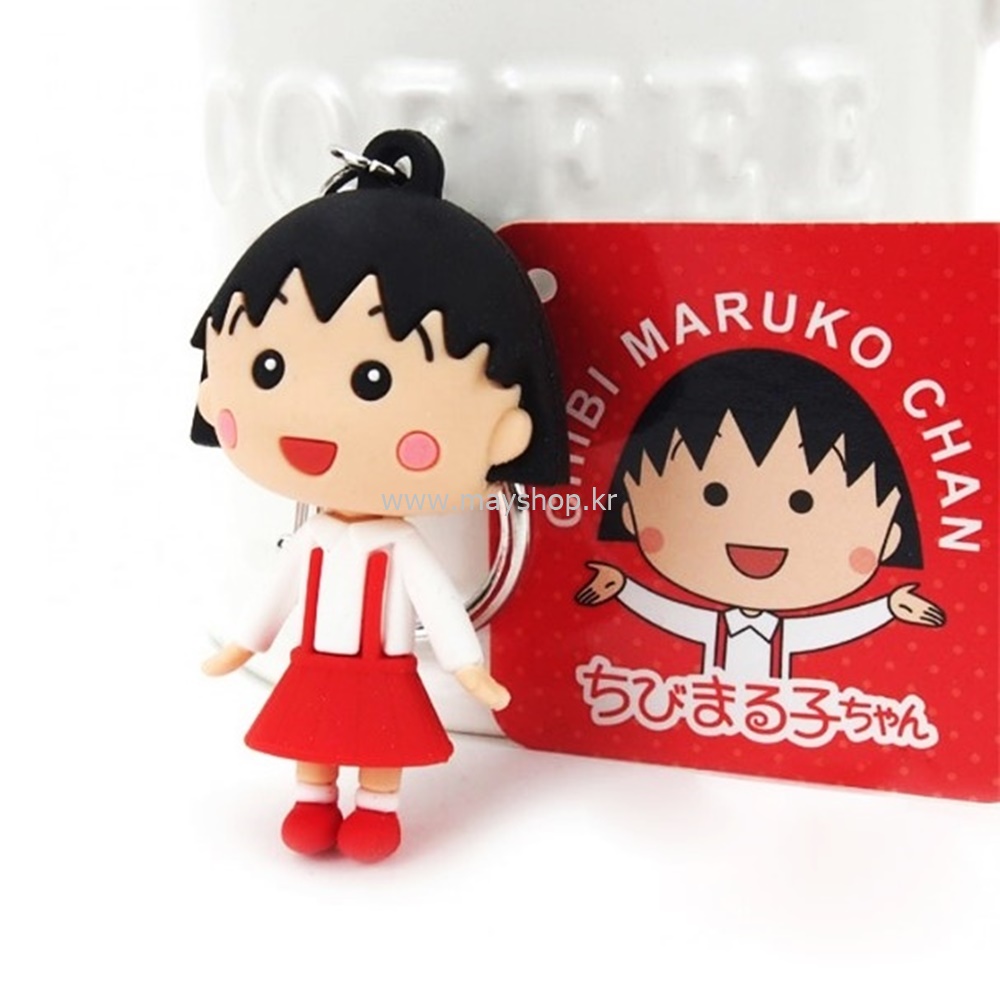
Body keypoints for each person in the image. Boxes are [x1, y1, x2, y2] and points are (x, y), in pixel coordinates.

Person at [193, 130, 568, 861]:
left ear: (508, 430)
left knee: (380, 745)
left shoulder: (401, 545)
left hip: (383, 672)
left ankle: (376, 810)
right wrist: (242, 646)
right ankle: (312, 802)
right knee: (311, 740)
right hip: (316, 666)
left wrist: (468, 668)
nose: (315, 419)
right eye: (267, 369)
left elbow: (439, 605)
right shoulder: (314, 539)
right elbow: (276, 594)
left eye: (373, 383)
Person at [576, 348, 944, 680]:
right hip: (683, 708)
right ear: (630, 513)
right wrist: (623, 587)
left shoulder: (783, 633)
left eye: (802, 502)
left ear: (890, 537)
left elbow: (834, 629)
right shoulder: (716, 626)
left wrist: (888, 608)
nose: (759, 529)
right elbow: (671, 615)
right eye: (714, 495)